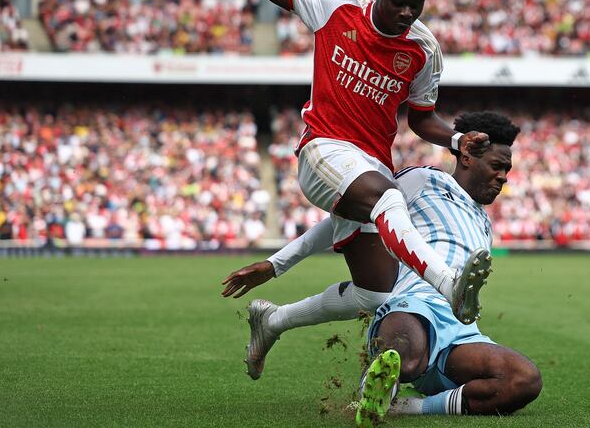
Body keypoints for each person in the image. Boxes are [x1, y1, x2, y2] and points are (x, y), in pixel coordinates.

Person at [216, 0, 492, 362]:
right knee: (389, 197)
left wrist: (454, 140)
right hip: (322, 151)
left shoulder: (423, 50)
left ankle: (271, 320)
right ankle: (448, 282)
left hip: (367, 169)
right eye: (399, 1)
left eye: (417, 4)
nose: (407, 13)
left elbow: (421, 119)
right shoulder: (334, 10)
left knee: (376, 294)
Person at [222, 112, 541, 424]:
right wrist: (275, 264)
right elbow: (341, 220)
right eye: (497, 166)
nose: (503, 177)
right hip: (410, 305)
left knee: (523, 380)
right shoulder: (422, 180)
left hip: (460, 330)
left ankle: (406, 407)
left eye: (507, 170)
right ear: (468, 157)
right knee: (405, 355)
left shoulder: (484, 223)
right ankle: (375, 380)